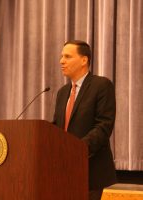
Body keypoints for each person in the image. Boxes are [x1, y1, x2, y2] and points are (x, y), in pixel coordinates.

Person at [53, 40, 117, 200]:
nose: (61, 61)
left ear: (84, 60)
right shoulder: (62, 92)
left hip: (90, 171)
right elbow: (57, 128)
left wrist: (77, 150)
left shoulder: (101, 85)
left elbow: (103, 126)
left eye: (67, 56)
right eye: (61, 56)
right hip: (63, 171)